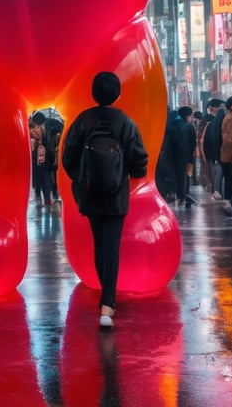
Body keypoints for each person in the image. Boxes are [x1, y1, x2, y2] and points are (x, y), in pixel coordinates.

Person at [61, 71, 148, 330]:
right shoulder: (125, 122)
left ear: (94, 94)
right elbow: (139, 158)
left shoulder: (83, 120)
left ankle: (106, 299)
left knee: (99, 245)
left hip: (89, 194)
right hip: (116, 195)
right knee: (112, 248)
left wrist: (83, 179)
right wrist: (130, 175)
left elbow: (68, 157)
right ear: (118, 94)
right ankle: (107, 305)